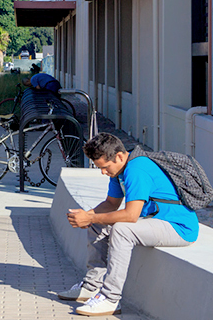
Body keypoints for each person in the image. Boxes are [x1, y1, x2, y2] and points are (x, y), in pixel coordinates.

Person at [60, 133, 197, 316]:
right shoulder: (120, 169)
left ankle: (110, 299)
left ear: (119, 156)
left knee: (122, 229)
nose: (103, 172)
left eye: (105, 167)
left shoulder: (137, 169)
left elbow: (131, 216)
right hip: (155, 221)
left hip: (178, 227)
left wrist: (90, 218)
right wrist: (88, 216)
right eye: (100, 168)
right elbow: (110, 204)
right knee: (99, 223)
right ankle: (91, 287)